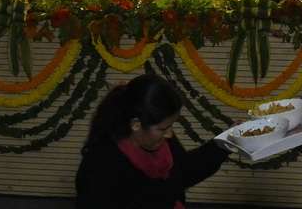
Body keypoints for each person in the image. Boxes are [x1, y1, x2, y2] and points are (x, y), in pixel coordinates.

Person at [74, 74, 228, 209]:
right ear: (136, 124)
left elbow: (183, 172)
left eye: (171, 126)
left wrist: (225, 142)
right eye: (163, 129)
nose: (169, 134)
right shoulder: (100, 165)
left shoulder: (159, 140)